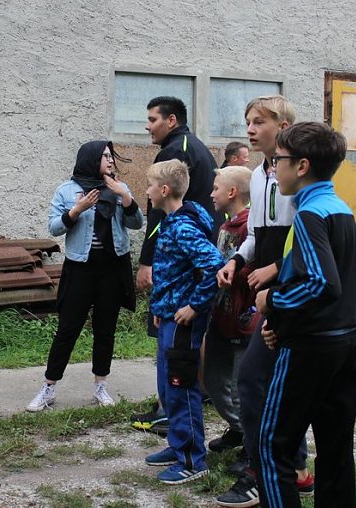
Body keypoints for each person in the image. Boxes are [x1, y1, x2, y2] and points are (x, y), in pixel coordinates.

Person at [254, 122, 356, 508]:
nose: (272, 168)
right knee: (335, 451)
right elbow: (338, 290)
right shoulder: (340, 208)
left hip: (310, 353)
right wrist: (282, 327)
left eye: (277, 161)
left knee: (272, 448)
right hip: (344, 344)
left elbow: (320, 284)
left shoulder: (310, 214)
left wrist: (272, 302)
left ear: (301, 166)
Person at [215, 95, 312, 508]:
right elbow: (257, 232)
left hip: (293, 285)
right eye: (247, 122)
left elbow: (309, 237)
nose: (250, 130)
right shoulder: (258, 174)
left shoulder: (303, 172)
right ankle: (290, 466)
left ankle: (268, 470)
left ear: (284, 126)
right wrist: (238, 260)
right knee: (265, 379)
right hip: (265, 289)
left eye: (259, 122)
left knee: (262, 380)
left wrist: (275, 269)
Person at [26, 141, 143, 412]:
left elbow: (136, 223)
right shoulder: (67, 190)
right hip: (80, 267)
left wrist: (125, 199)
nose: (111, 161)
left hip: (113, 268)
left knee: (106, 329)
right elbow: (54, 228)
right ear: (90, 159)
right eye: (105, 156)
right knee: (68, 328)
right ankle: (49, 388)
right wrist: (76, 210)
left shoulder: (119, 188)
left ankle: (101, 385)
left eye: (111, 157)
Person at [131, 96, 221, 434]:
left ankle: (172, 408)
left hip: (182, 265)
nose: (147, 125)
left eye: (152, 119)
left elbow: (158, 215)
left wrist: (146, 261)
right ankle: (178, 402)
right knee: (184, 341)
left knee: (175, 345)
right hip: (189, 264)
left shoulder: (175, 150)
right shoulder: (193, 144)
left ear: (171, 120)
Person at [142, 159, 225, 485]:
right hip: (169, 315)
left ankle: (192, 459)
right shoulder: (173, 221)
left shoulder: (184, 227)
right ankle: (178, 445)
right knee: (167, 386)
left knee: (181, 387)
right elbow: (174, 272)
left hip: (183, 321)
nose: (146, 191)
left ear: (164, 190)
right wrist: (161, 306)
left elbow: (214, 265)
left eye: (150, 185)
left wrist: (194, 306)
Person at [202, 166, 255, 457]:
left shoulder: (249, 227)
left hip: (240, 320)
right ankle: (239, 428)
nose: (211, 193)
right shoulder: (225, 226)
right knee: (213, 379)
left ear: (232, 192)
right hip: (220, 316)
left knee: (237, 386)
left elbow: (253, 271)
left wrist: (236, 273)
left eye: (216, 188)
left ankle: (250, 441)